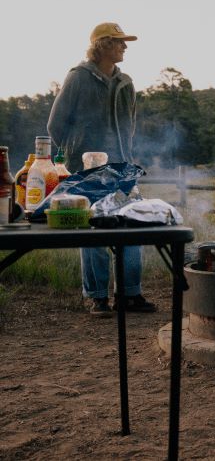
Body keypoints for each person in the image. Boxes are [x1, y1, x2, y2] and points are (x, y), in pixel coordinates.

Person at [48, 22, 156, 317]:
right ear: (103, 45)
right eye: (119, 41)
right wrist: (75, 155)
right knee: (95, 227)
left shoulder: (126, 82)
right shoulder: (78, 78)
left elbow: (129, 127)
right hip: (88, 168)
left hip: (122, 168)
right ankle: (97, 297)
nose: (125, 46)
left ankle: (129, 294)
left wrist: (129, 161)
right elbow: (55, 125)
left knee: (131, 224)